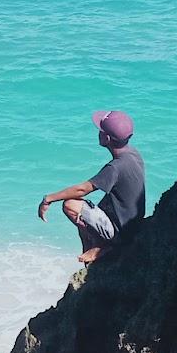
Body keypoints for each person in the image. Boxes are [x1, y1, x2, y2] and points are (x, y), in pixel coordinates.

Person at [37, 109, 146, 264]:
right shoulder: (133, 155)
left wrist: (48, 199)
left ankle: (105, 247)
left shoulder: (115, 168)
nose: (98, 132)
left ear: (106, 138)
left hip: (122, 233)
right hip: (132, 223)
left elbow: (82, 189)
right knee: (85, 211)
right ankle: (93, 248)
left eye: (100, 130)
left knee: (71, 204)